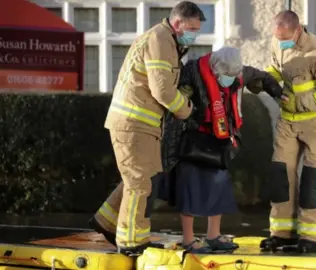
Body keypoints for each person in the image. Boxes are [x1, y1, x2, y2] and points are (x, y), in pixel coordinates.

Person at [87, 1, 205, 256]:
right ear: (177, 23)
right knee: (139, 183)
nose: (195, 34)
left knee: (141, 177)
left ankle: (107, 221)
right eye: (192, 28)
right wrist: (187, 110)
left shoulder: (167, 40)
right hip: (134, 123)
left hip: (143, 124)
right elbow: (162, 90)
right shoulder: (161, 40)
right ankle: (131, 242)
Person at [160, 46, 285, 254]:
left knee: (218, 188)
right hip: (192, 139)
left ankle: (213, 236)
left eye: (234, 75)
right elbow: (178, 102)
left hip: (219, 139)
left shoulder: (237, 72)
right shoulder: (193, 71)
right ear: (215, 69)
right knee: (189, 190)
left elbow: (261, 77)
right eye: (226, 76)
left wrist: (277, 93)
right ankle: (189, 239)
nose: (230, 79)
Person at [260, 10, 316, 253]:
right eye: (277, 37)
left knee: (311, 179)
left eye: (284, 37)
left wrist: (298, 104)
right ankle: (281, 234)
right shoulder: (278, 42)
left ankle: (310, 238)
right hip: (288, 122)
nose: (280, 41)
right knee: (281, 176)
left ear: (297, 30)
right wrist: (265, 79)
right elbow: (277, 68)